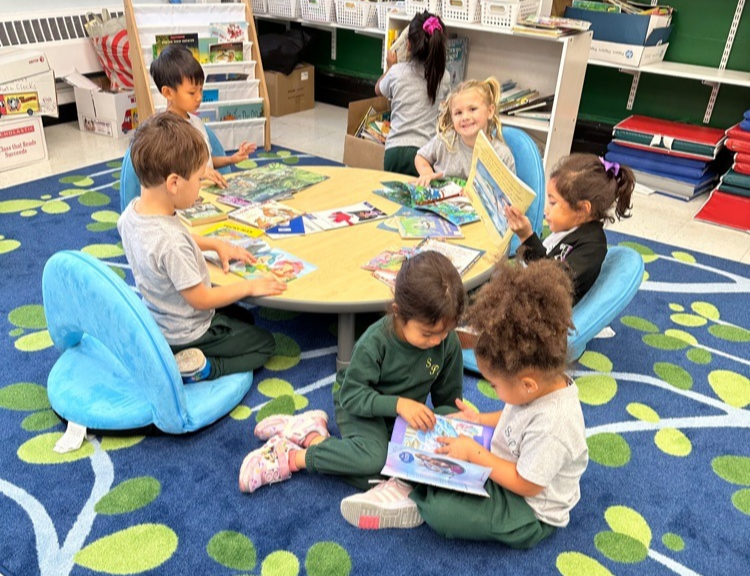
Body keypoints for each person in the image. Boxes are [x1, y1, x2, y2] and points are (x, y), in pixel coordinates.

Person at [342, 259, 588, 548]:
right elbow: (515, 416)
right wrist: (480, 420)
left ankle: (409, 493)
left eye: (494, 385)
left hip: (528, 509)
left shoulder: (555, 426)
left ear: (527, 384)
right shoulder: (537, 389)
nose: (492, 390)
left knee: (443, 513)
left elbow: (528, 484)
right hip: (505, 465)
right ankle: (413, 482)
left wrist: (474, 453)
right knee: (451, 423)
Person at [239, 251, 466, 511]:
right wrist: (399, 404)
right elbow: (352, 396)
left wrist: (463, 424)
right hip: (358, 404)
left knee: (393, 472)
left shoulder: (447, 343)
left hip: (401, 418)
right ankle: (293, 455)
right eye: (428, 334)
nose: (438, 341)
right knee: (376, 462)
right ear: (399, 313)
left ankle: (311, 432)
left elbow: (447, 403)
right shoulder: (375, 343)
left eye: (445, 332)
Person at [117, 113, 287, 383]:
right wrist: (250, 287)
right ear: (174, 183)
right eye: (198, 180)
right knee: (264, 343)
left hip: (160, 319)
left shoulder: (131, 214)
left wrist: (214, 243)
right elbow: (201, 300)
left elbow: (163, 248)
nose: (199, 188)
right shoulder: (171, 243)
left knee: (244, 317)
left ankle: (189, 354)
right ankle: (203, 368)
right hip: (187, 331)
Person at [505, 154, 635, 304]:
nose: (546, 210)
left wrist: (527, 238)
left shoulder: (592, 248)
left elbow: (552, 283)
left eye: (553, 203)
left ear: (582, 209)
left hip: (543, 315)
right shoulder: (569, 229)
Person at [150, 44, 256, 188]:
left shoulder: (196, 122)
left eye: (201, 89)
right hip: (186, 199)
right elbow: (167, 173)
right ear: (168, 93)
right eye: (192, 92)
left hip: (209, 191)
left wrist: (231, 159)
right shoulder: (164, 130)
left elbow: (206, 162)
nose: (199, 97)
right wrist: (199, 173)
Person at [375, 12, 451, 177]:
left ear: (408, 45)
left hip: (393, 152)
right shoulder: (443, 77)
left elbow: (378, 90)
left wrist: (390, 67)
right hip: (424, 155)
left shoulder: (397, 72)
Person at [415, 77, 516, 187]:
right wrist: (426, 172)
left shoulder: (502, 155)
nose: (465, 117)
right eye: (458, 113)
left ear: (490, 111)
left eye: (472, 109)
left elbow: (510, 197)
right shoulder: (444, 141)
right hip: (439, 201)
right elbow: (421, 157)